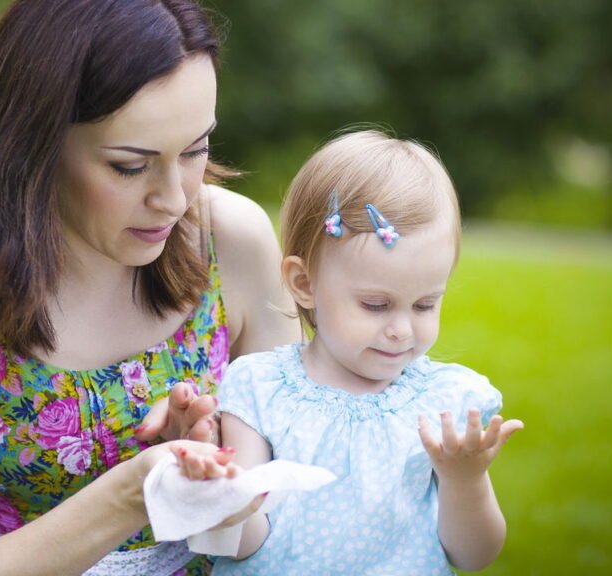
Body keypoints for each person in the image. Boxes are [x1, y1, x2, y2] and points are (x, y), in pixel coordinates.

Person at [0, 1, 298, 574]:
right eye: (128, 165)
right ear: (33, 143)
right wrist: (131, 495)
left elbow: (298, 499)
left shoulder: (231, 242)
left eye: (195, 150)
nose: (173, 198)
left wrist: (220, 463)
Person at [210, 129, 524, 575]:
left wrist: (465, 480)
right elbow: (240, 544)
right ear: (304, 283)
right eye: (376, 305)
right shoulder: (259, 390)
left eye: (424, 304)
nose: (401, 330)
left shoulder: (441, 404)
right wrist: (219, 496)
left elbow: (474, 555)